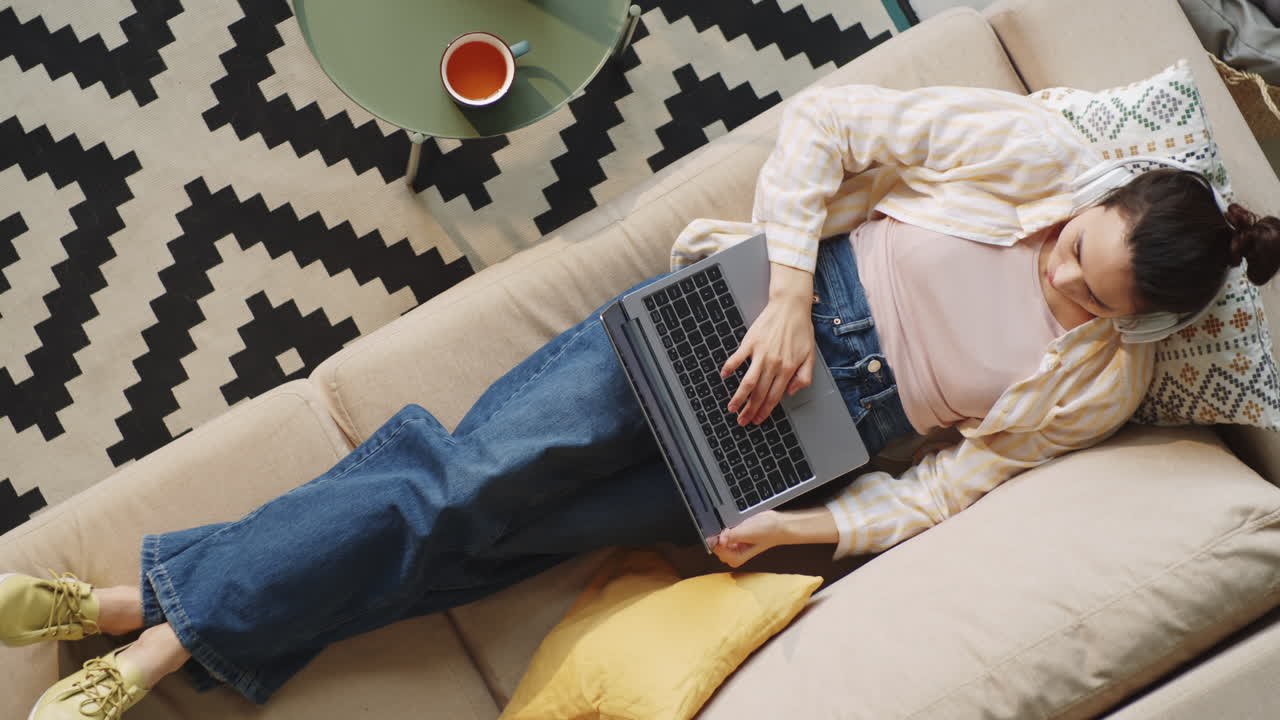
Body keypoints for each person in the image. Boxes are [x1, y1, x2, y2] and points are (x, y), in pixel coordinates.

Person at [5, 84, 1280, 719]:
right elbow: (831, 126)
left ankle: (137, 603)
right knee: (458, 485)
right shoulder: (1038, 160)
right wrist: (787, 291)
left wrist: (807, 534)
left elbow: (949, 486)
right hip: (746, 315)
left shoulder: (1101, 383)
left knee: (487, 542)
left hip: (805, 451)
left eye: (1084, 293)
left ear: (1137, 320)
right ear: (1104, 195)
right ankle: (161, 642)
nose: (1055, 271)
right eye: (1071, 245)